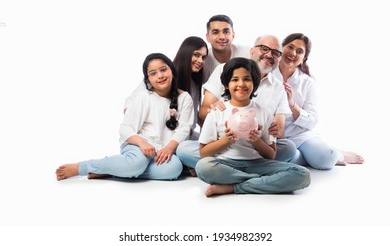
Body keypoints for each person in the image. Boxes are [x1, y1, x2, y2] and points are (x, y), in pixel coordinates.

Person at [55, 53, 194, 181]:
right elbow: (125, 128)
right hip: (138, 146)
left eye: (163, 70)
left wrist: (169, 148)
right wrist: (142, 143)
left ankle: (115, 170)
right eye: (153, 73)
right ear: (148, 80)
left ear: (172, 71)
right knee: (137, 163)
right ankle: (83, 167)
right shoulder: (144, 97)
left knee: (174, 168)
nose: (160, 75)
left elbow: (184, 128)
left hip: (162, 150)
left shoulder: (184, 98)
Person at [176, 35, 297, 171]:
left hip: (256, 147)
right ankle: (253, 171)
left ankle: (225, 172)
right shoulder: (225, 69)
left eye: (275, 53)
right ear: (252, 51)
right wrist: (212, 109)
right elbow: (203, 112)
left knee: (290, 149)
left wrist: (270, 129)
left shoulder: (278, 87)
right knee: (183, 149)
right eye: (264, 49)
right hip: (223, 146)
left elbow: (279, 131)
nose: (269, 55)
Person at [195, 57, 311, 197]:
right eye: (235, 79)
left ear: (254, 83)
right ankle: (262, 182)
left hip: (258, 164)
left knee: (302, 175)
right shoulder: (217, 111)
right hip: (226, 164)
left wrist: (256, 141)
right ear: (226, 84)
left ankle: (235, 187)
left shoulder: (264, 112)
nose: (241, 84)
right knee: (203, 167)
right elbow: (203, 153)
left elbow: (271, 155)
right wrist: (226, 140)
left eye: (247, 79)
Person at [274, 33, 365, 170]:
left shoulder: (307, 83)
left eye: (299, 51)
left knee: (325, 160)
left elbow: (312, 121)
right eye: (290, 47)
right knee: (274, 156)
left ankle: (336, 154)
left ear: (304, 58)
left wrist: (292, 104)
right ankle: (308, 157)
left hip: (300, 136)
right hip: (274, 138)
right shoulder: (265, 75)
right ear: (281, 48)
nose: (293, 53)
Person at [124, 36, 208, 140]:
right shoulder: (161, 75)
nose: (200, 61)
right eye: (196, 55)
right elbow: (128, 106)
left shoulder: (194, 84)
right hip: (156, 138)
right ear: (186, 53)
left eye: (203, 57)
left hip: (183, 136)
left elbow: (192, 117)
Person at [202, 14, 250, 82]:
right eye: (215, 32)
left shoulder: (248, 53)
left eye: (226, 32)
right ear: (208, 37)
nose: (222, 37)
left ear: (233, 35)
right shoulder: (203, 61)